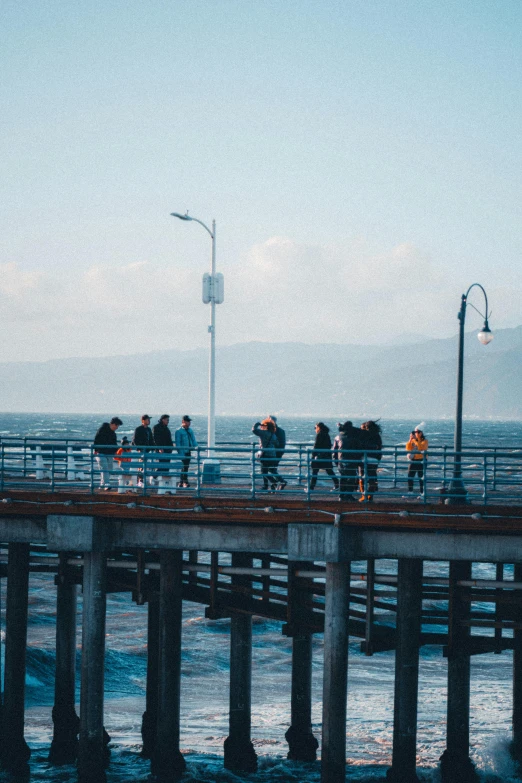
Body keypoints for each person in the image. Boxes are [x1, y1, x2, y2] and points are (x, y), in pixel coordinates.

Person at [332, 421, 363, 501]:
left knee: (342, 478)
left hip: (340, 460)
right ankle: (348, 495)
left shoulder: (338, 437)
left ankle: (341, 495)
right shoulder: (354, 437)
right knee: (351, 478)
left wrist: (336, 460)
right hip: (351, 460)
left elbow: (334, 450)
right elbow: (359, 449)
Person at [252, 419, 286, 491]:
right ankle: (282, 481)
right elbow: (277, 443)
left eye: (263, 425)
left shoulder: (264, 433)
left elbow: (254, 430)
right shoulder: (273, 434)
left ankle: (274, 482)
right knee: (272, 470)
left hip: (265, 454)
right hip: (272, 454)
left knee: (263, 471)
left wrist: (257, 424)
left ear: (266, 426)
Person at [93, 417, 122, 490]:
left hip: (109, 453)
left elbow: (114, 444)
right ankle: (107, 483)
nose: (117, 427)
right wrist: (96, 450)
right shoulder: (102, 429)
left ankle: (102, 484)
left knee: (109, 469)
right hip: (100, 452)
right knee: (104, 467)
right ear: (112, 424)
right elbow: (96, 439)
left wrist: (116, 451)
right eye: (116, 425)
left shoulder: (113, 434)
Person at [309, 422, 339, 491]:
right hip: (326, 456)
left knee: (314, 472)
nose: (315, 429)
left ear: (318, 427)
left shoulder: (319, 435)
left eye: (315, 428)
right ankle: (337, 484)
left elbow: (316, 446)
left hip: (319, 457)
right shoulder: (326, 434)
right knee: (329, 471)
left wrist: (313, 456)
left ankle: (311, 487)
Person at [359, 421, 383, 502]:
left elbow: (360, 445)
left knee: (362, 477)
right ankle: (370, 495)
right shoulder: (377, 435)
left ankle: (364, 495)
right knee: (372, 478)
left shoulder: (364, 434)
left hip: (364, 458)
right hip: (374, 459)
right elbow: (379, 447)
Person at [175, 415, 198, 488]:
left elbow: (193, 440)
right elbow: (178, 443)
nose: (189, 423)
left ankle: (182, 482)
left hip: (188, 451)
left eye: (189, 421)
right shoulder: (179, 431)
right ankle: (185, 481)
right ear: (183, 422)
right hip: (183, 451)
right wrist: (180, 453)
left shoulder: (190, 430)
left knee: (186, 467)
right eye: (187, 421)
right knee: (184, 466)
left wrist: (196, 447)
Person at [406, 426, 429, 496]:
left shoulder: (425, 441)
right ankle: (410, 491)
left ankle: (422, 493)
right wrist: (410, 440)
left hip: (421, 460)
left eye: (417, 432)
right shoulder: (413, 440)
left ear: (421, 433)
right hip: (413, 460)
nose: (416, 434)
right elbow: (408, 448)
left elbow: (421, 448)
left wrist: (417, 440)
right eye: (415, 432)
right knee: (410, 476)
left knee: (421, 477)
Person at [133, 414, 155, 481]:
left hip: (148, 450)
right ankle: (140, 479)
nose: (149, 421)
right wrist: (139, 448)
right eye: (148, 420)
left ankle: (142, 479)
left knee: (145, 465)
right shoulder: (138, 429)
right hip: (142, 450)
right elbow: (135, 440)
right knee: (141, 465)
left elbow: (151, 439)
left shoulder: (148, 429)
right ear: (143, 420)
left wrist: (153, 447)